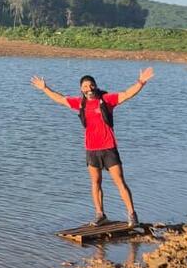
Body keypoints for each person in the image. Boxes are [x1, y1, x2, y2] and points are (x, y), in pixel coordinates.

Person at [30, 67, 154, 225]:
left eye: (90, 85)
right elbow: (60, 99)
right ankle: (100, 215)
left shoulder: (107, 100)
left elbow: (127, 94)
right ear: (81, 89)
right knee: (95, 182)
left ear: (95, 85)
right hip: (91, 150)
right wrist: (45, 88)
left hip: (109, 147)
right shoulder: (80, 103)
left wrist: (141, 82)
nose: (88, 89)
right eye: (85, 87)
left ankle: (132, 214)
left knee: (120, 182)